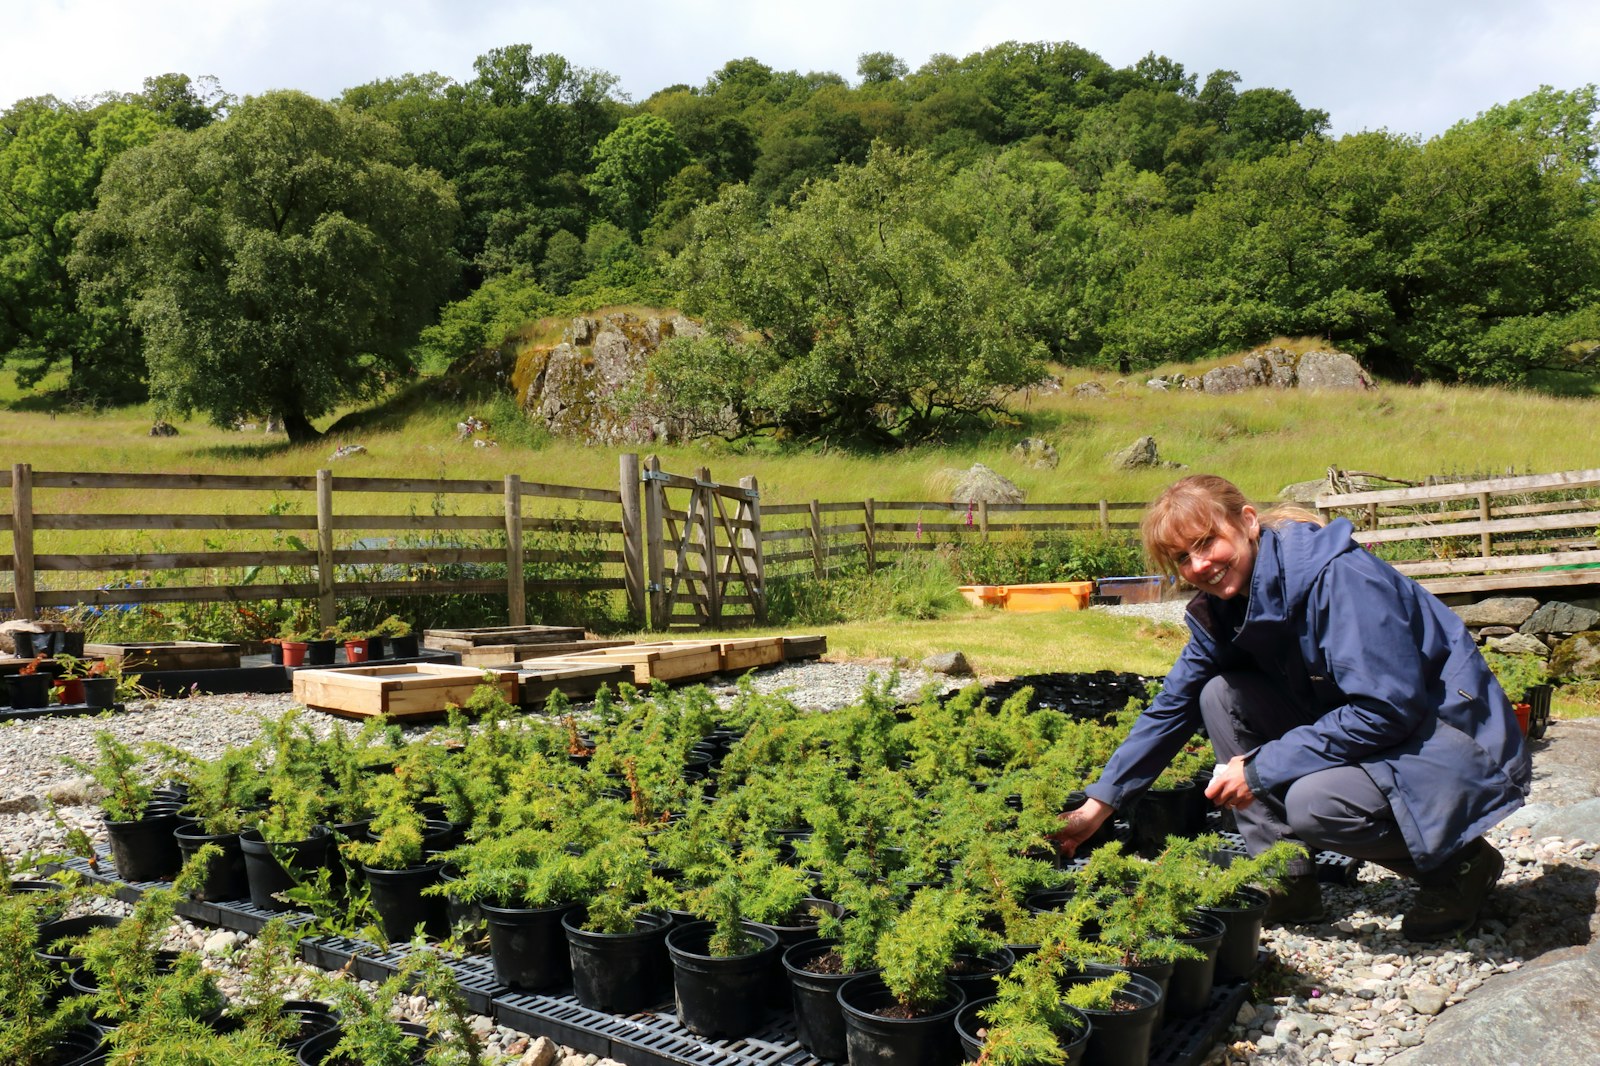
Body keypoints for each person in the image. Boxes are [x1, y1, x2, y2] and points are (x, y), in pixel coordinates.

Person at [1051, 475, 1531, 938]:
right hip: (1379, 727)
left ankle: (1461, 866)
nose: (1198, 565)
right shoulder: (1227, 604)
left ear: (1248, 522)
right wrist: (1099, 805)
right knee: (1219, 694)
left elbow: (1387, 708)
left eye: (1205, 542)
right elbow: (1171, 706)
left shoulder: (1340, 579)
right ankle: (1288, 879)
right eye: (1181, 557)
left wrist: (1259, 768)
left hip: (1448, 737)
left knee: (1316, 806)